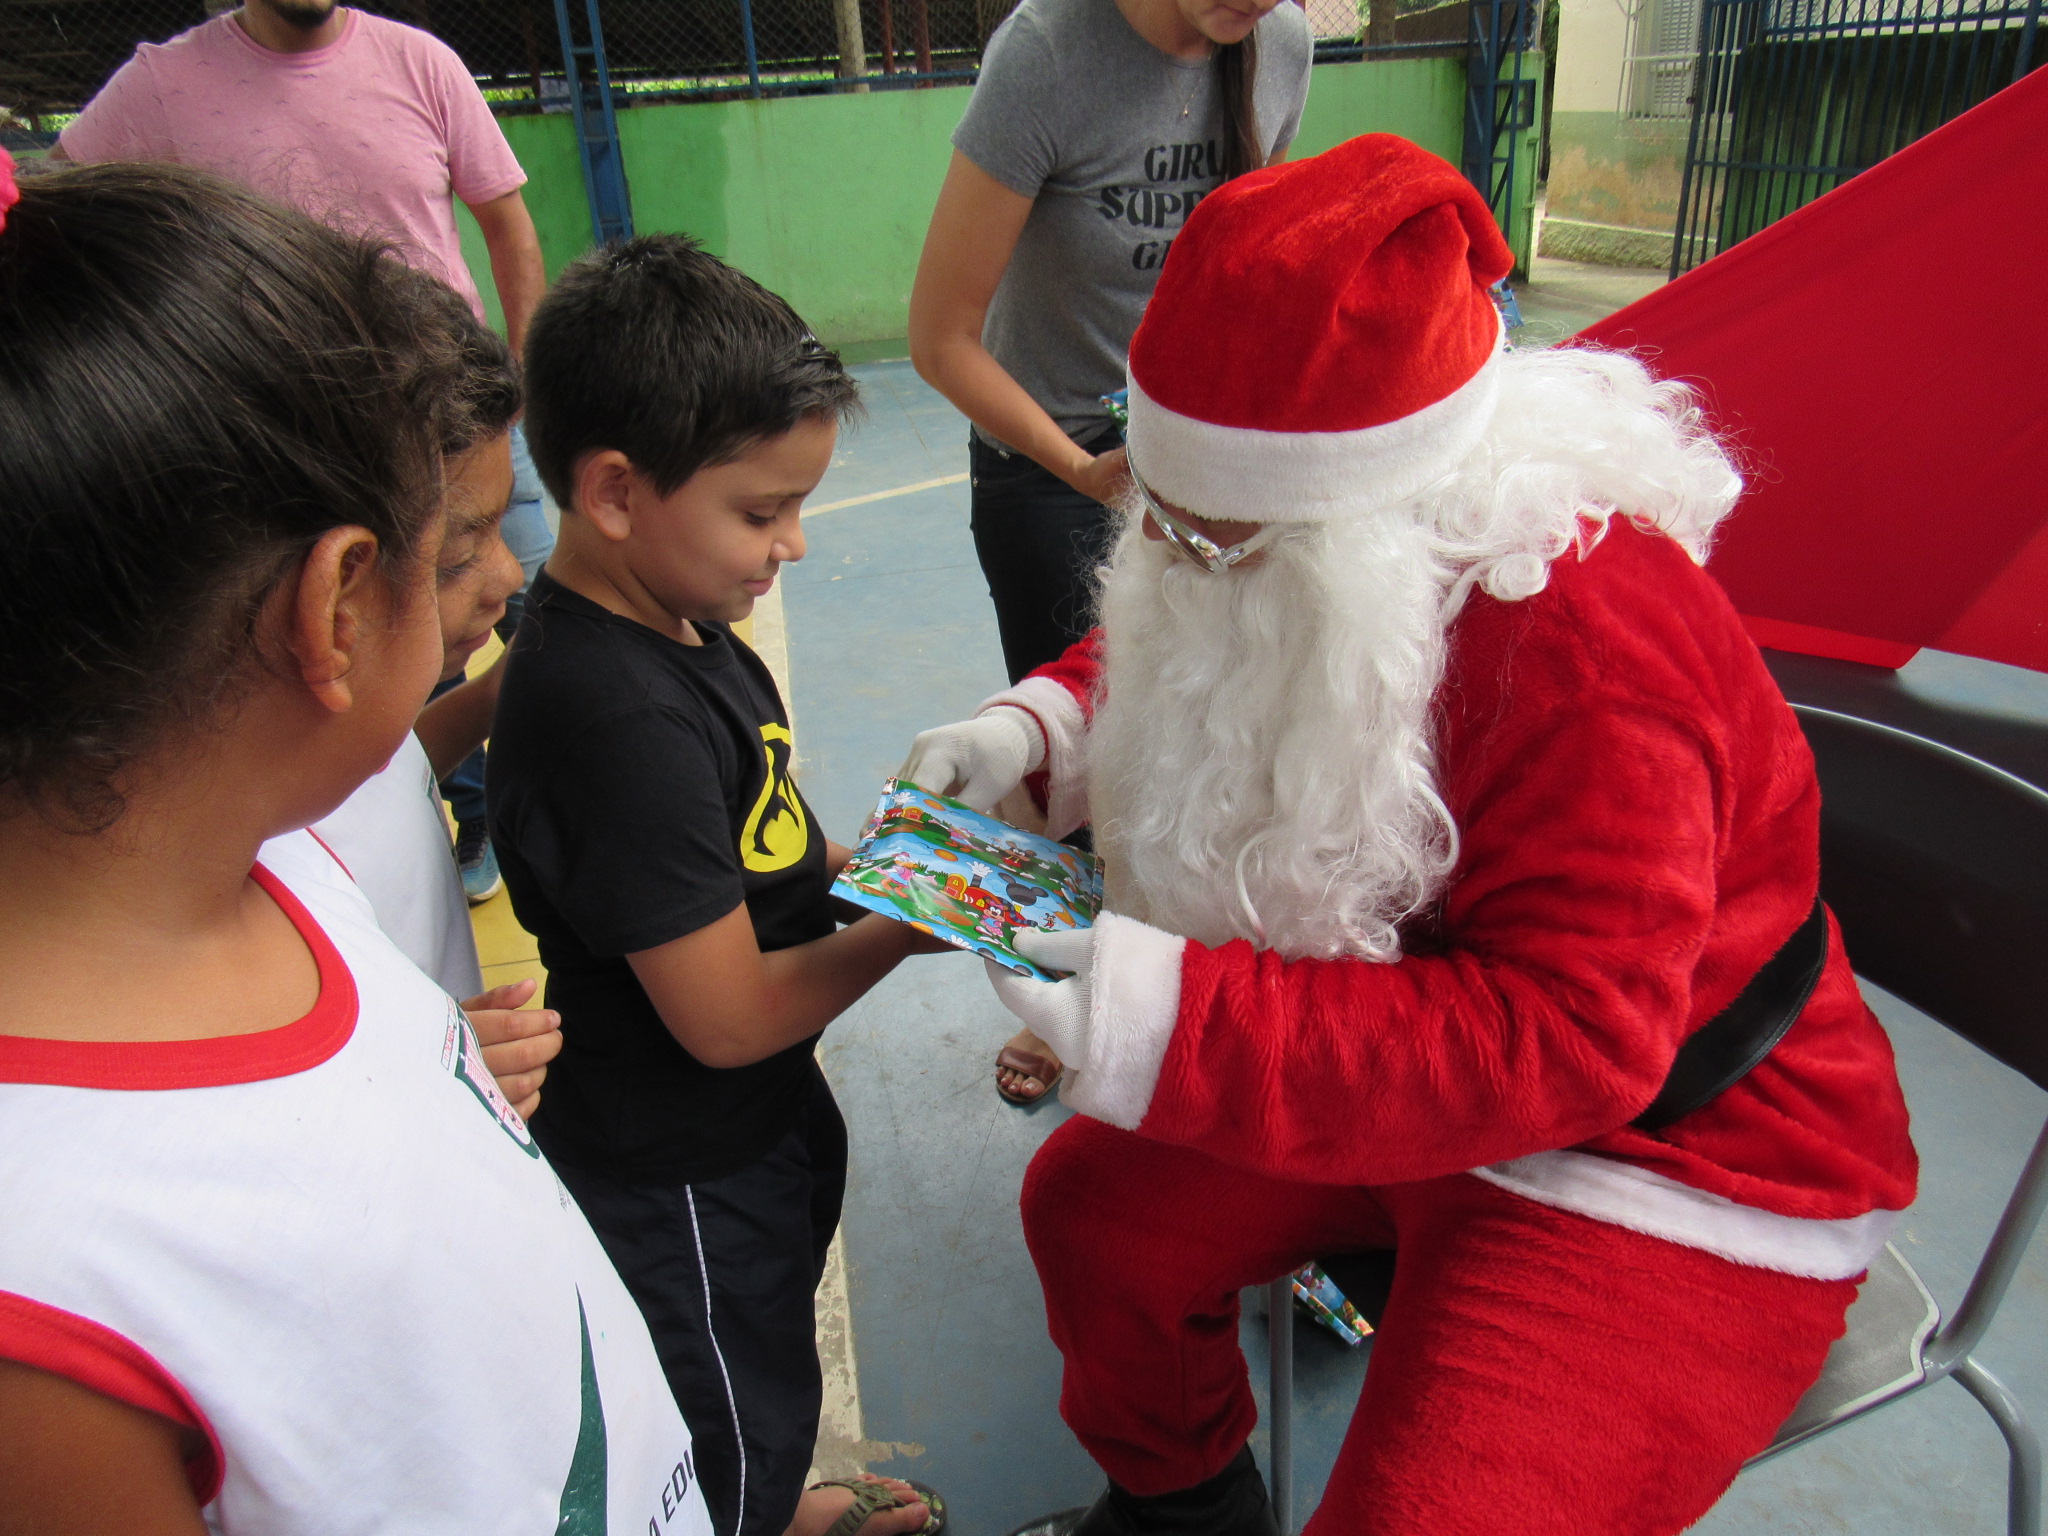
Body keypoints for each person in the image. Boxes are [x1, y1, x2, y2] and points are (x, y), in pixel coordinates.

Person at [901, 135, 1918, 1536]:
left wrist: (1176, 1022)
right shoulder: (1311, 537)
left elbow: (1578, 1039)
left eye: (1212, 539)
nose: (1172, 556)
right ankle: (1183, 1510)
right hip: (1411, 1079)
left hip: (1674, 1155)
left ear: (1361, 519)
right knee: (1095, 1216)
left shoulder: (1597, 649)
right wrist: (1044, 733)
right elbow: (1214, 635)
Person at [0, 157, 710, 1535]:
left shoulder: (265, 863)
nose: (497, 574)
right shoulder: (49, 1310)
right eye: (446, 545)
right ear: (334, 606)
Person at [491, 236, 949, 1536]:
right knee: (718, 1424)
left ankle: (769, 1498)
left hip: (747, 1132)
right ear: (617, 491)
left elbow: (769, 854)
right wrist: (908, 927)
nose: (793, 544)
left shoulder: (685, 622)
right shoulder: (610, 714)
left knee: (760, 1380)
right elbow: (731, 1014)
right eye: (762, 512)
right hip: (677, 1170)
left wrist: (913, 868)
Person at [54, 0, 554, 903]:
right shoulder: (165, 83)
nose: (506, 574)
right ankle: (474, 807)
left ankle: (496, 806)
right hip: (300, 472)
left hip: (461, 432)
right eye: (462, 551)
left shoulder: (420, 64)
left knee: (488, 636)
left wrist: (513, 395)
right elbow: (49, 217)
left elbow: (508, 226)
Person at [907, 0, 1311, 1107]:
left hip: (1195, 448)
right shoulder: (1047, 54)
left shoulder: (1276, 46)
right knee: (1086, 766)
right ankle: (1069, 989)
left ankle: (1161, 983)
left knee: (1211, 731)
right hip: (1052, 460)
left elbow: (1245, 270)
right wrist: (1082, 467)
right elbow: (939, 332)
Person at [260, 277, 564, 1115]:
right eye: (462, 553)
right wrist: (911, 913)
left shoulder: (334, 738)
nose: (509, 577)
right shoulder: (263, 859)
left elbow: (395, 771)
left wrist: (494, 695)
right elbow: (730, 1023)